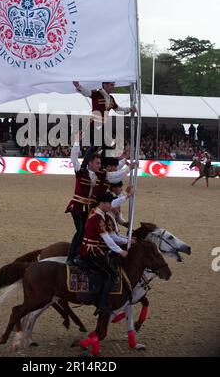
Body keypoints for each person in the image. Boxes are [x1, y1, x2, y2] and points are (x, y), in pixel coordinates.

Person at [65, 135, 136, 265]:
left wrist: (128, 168)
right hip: (78, 206)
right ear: (90, 163)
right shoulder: (80, 171)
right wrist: (76, 141)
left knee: (87, 231)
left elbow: (114, 176)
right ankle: (70, 258)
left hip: (89, 207)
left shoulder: (101, 174)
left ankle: (82, 253)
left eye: (100, 163)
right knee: (81, 231)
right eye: (97, 163)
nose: (99, 165)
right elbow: (74, 157)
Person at [80, 192, 128, 314]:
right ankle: (102, 303)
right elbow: (107, 239)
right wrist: (120, 251)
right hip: (92, 251)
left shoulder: (95, 211)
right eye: (108, 204)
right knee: (111, 274)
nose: (110, 206)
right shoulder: (99, 218)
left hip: (88, 247)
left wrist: (126, 197)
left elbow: (113, 204)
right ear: (102, 203)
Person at [73, 81, 136, 163]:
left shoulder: (111, 99)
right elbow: (87, 93)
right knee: (104, 145)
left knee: (100, 146)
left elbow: (118, 109)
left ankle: (99, 165)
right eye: (111, 85)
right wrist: (79, 86)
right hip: (94, 124)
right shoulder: (97, 93)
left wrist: (129, 109)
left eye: (113, 85)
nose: (113, 87)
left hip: (101, 126)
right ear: (104, 85)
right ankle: (92, 165)